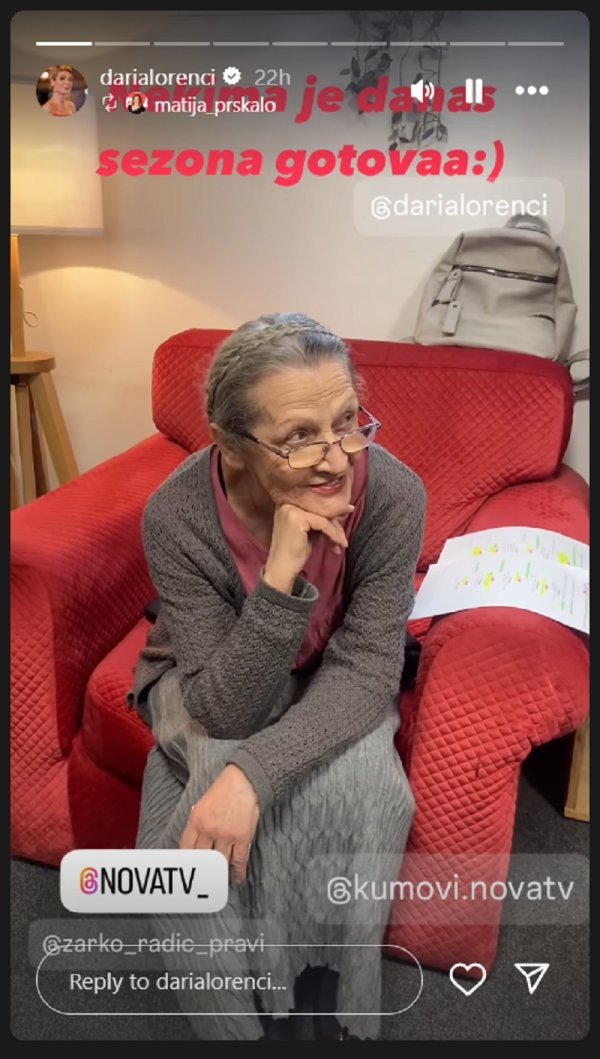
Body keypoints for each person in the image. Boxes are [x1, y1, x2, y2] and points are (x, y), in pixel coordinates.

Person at [129, 312, 426, 1041]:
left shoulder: (393, 494)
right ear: (230, 445)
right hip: (206, 673)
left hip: (334, 668)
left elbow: (366, 669)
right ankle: (242, 1015)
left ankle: (327, 997)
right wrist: (281, 575)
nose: (337, 458)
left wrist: (253, 778)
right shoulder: (176, 516)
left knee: (368, 783)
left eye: (348, 422)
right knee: (211, 765)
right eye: (300, 437)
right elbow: (224, 708)